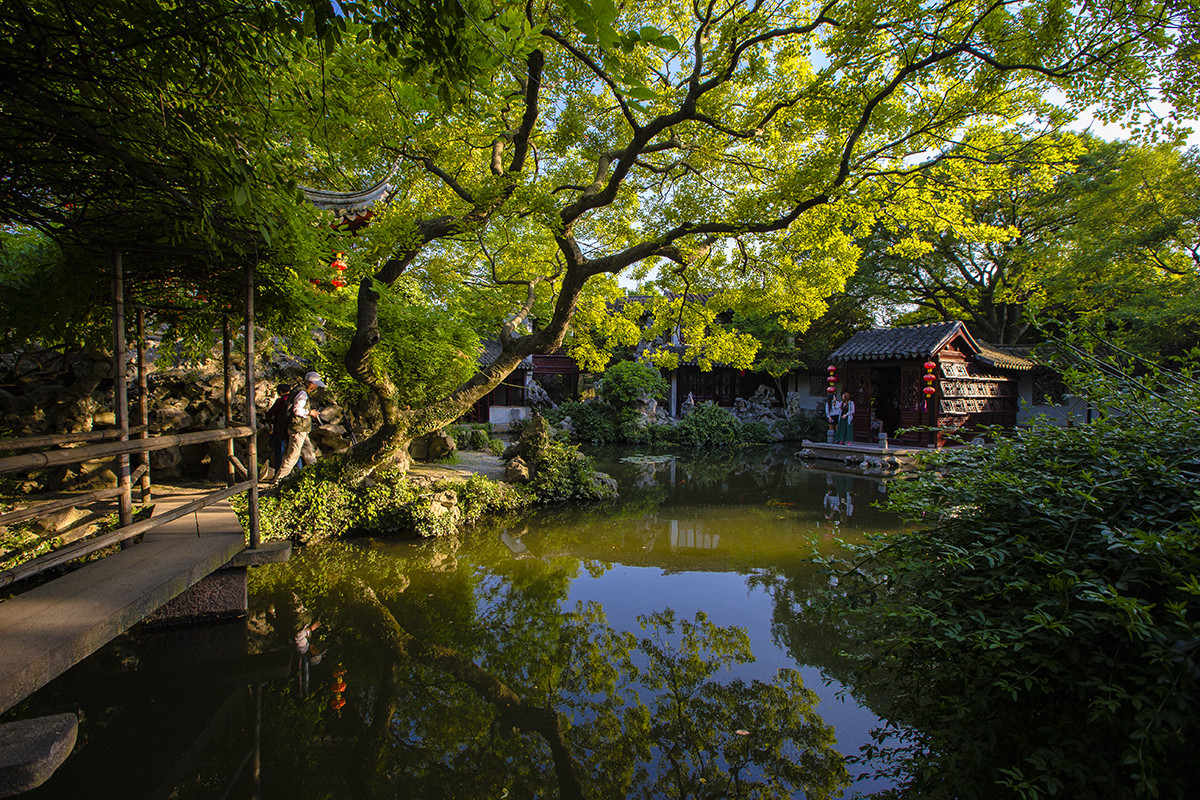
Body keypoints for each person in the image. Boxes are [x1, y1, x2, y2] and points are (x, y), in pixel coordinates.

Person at [270, 371, 325, 486]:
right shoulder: (302, 393)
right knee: (293, 455)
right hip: (298, 429)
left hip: (302, 429)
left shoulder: (298, 390)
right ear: (311, 383)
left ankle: (317, 474)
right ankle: (279, 479)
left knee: (309, 451)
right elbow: (297, 410)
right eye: (315, 384)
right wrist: (310, 412)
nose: (315, 387)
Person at [264, 382, 291, 479]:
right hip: (291, 429)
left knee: (279, 451)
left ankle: (278, 473)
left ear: (280, 392)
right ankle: (297, 471)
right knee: (293, 452)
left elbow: (270, 413)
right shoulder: (293, 399)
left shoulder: (281, 401)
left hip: (279, 429)